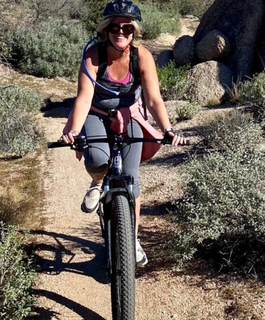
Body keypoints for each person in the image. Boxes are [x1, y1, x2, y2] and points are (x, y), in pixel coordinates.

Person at [60, 0, 187, 267]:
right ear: (106, 29)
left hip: (130, 114)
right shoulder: (94, 55)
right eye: (115, 27)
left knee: (131, 179)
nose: (121, 32)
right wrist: (73, 130)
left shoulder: (142, 57)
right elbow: (83, 99)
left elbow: (154, 100)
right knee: (96, 160)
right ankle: (97, 183)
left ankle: (132, 239)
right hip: (96, 113)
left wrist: (168, 129)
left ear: (134, 32)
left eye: (127, 28)